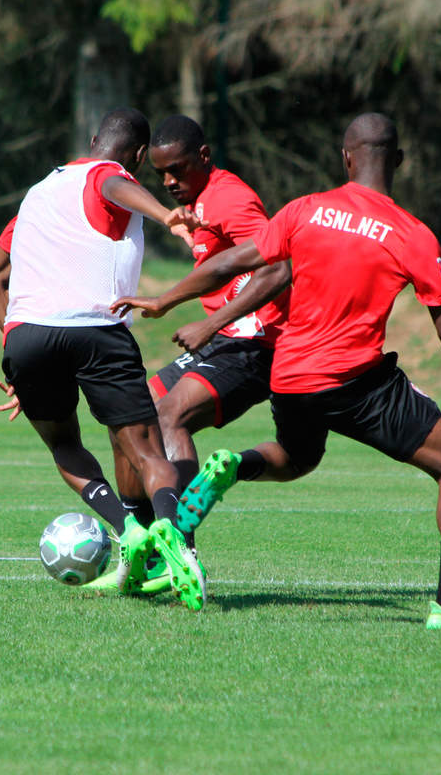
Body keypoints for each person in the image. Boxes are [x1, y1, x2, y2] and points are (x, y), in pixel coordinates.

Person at [112, 112, 441, 629]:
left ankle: (236, 465)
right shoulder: (413, 234)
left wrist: (165, 301)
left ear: (346, 158)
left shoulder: (305, 209)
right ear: (397, 160)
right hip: (357, 383)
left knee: (297, 456)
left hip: (288, 375)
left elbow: (231, 263)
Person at [0, 108, 210, 610]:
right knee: (149, 452)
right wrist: (165, 214)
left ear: (91, 140)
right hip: (95, 330)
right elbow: (113, 186)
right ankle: (170, 534)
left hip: (27, 337)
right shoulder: (111, 174)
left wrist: (14, 353)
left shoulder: (39, 194)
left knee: (65, 446)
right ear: (135, 156)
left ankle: (126, 529)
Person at [111, 114, 290, 555]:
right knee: (131, 415)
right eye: (162, 173)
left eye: (179, 169)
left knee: (170, 416)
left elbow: (278, 268)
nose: (170, 181)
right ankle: (137, 540)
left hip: (255, 341)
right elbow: (216, 267)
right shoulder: (198, 202)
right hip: (225, 339)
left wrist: (208, 321)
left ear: (204, 157)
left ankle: (179, 545)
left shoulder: (230, 199)